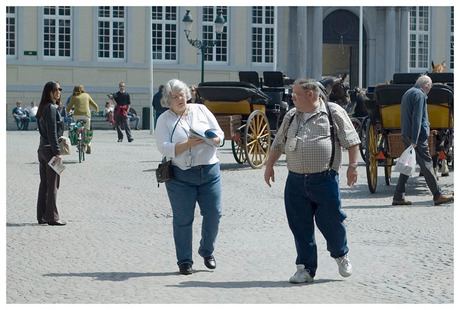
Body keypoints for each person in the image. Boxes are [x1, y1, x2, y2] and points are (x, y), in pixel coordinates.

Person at [264, 78, 360, 283]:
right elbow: (278, 142)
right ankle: (305, 269)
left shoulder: (333, 112)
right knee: (300, 226)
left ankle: (341, 255)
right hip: (295, 181)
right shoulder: (291, 115)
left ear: (310, 95)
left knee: (332, 222)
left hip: (325, 179)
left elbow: (352, 141)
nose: (292, 97)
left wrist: (353, 167)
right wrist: (269, 166)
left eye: (296, 94)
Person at [155, 79, 225, 275]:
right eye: (174, 97)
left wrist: (216, 139)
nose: (179, 99)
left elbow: (219, 133)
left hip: (209, 171)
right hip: (180, 176)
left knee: (214, 213)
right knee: (183, 219)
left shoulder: (201, 110)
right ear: (168, 101)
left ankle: (207, 250)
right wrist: (187, 144)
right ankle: (184, 261)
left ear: (188, 95)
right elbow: (163, 147)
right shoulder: (164, 120)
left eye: (182, 95)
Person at [392, 75, 454, 206]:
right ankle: (438, 195)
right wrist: (415, 139)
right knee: (427, 164)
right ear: (426, 86)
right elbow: (417, 118)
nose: (429, 91)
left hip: (406, 134)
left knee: (408, 164)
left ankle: (398, 196)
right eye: (429, 88)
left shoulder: (408, 93)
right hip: (417, 137)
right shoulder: (419, 95)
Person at [36, 81, 66, 226]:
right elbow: (52, 132)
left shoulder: (43, 107)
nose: (59, 91)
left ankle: (42, 217)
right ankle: (53, 217)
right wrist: (57, 152)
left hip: (42, 149)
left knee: (44, 185)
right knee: (53, 185)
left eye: (60, 89)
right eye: (56, 89)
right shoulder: (52, 108)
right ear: (49, 92)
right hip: (50, 150)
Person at [66, 85, 99, 154]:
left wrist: (69, 111)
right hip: (86, 116)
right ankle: (88, 144)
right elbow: (95, 105)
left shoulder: (74, 97)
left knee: (77, 127)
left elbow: (68, 108)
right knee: (87, 130)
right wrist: (96, 111)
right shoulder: (87, 95)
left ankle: (78, 137)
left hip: (76, 116)